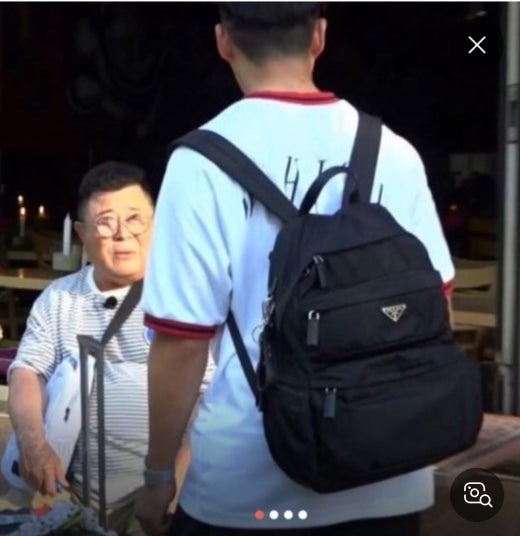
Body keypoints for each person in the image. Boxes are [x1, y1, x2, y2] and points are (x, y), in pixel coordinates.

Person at [136, 4, 455, 536]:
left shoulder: (199, 163)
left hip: (249, 490)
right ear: (319, 37)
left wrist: (158, 474)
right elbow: (436, 310)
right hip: (388, 478)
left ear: (223, 41)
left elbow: (181, 342)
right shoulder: (395, 153)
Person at [4, 162, 213, 535]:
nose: (122, 234)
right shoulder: (59, 298)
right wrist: (33, 446)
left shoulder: (182, 299)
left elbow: (207, 399)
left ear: (157, 223)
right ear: (81, 233)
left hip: (154, 497)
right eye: (105, 222)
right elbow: (26, 372)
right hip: (67, 495)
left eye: (135, 219)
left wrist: (173, 485)